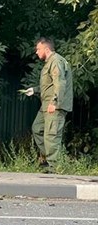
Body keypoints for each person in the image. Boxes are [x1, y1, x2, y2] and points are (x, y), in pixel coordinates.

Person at [23, 38, 73, 170]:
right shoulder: (50, 62)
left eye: (38, 49)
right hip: (46, 105)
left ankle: (54, 168)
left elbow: (60, 83)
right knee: (37, 128)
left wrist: (54, 103)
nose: (37, 52)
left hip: (53, 105)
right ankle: (47, 160)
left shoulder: (56, 61)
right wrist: (34, 90)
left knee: (51, 135)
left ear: (46, 49)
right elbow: (50, 84)